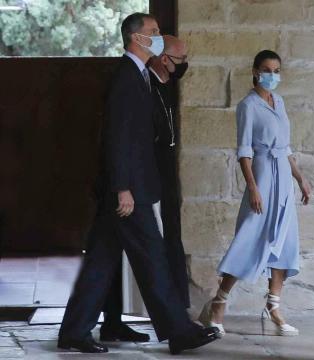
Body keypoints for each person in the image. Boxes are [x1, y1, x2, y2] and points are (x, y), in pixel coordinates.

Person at [57, 13, 218, 355]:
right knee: (153, 258)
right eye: (154, 32)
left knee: (100, 263)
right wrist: (122, 188)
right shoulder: (126, 77)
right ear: (136, 38)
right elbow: (117, 137)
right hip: (128, 192)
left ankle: (73, 331)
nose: (159, 37)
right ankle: (178, 331)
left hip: (131, 187)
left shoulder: (139, 75)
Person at [198, 50, 312, 337]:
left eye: (276, 70)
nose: (271, 75)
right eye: (266, 69)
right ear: (254, 71)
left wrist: (300, 179)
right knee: (249, 239)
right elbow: (244, 150)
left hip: (284, 178)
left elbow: (285, 147)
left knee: (285, 243)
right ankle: (218, 303)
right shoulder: (247, 105)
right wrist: (253, 187)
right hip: (261, 175)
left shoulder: (280, 102)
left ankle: (273, 307)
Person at [146, 35, 190, 307]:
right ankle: (173, 317)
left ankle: (178, 311)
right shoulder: (144, 87)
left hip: (167, 176)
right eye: (181, 59)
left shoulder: (167, 86)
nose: (185, 64)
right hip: (149, 178)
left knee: (172, 238)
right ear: (164, 59)